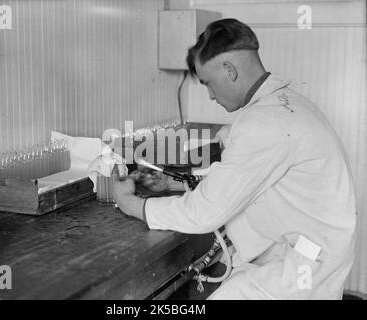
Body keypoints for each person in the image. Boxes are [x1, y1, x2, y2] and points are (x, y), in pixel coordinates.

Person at [112, 18, 356, 299]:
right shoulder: (284, 104)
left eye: (208, 83)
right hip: (305, 250)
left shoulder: (264, 122)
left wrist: (132, 204)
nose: (211, 96)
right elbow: (244, 176)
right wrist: (175, 184)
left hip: (301, 267)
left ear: (229, 70)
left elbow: (204, 213)